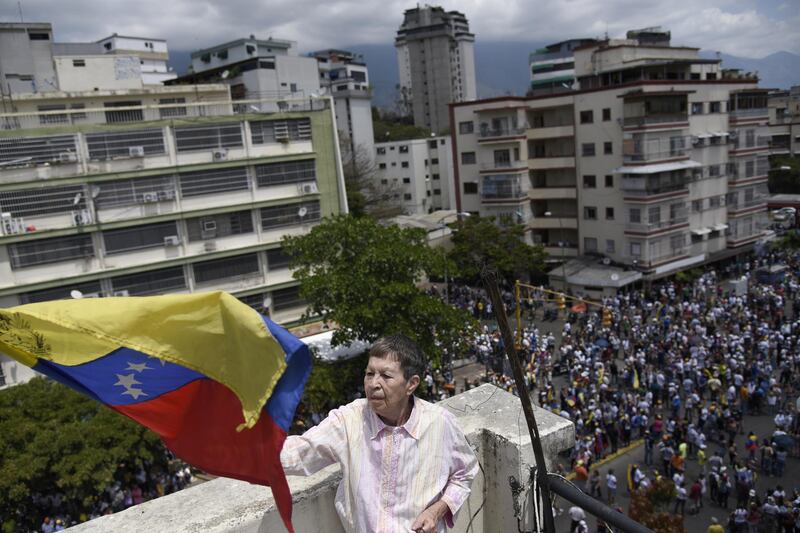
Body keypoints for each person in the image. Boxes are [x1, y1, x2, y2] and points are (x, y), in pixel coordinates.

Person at [281, 335, 478, 533]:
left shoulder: (440, 424)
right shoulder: (349, 421)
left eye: (386, 376)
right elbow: (298, 454)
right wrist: (253, 446)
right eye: (369, 373)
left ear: (411, 384)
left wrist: (437, 510)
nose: (373, 383)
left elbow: (465, 472)